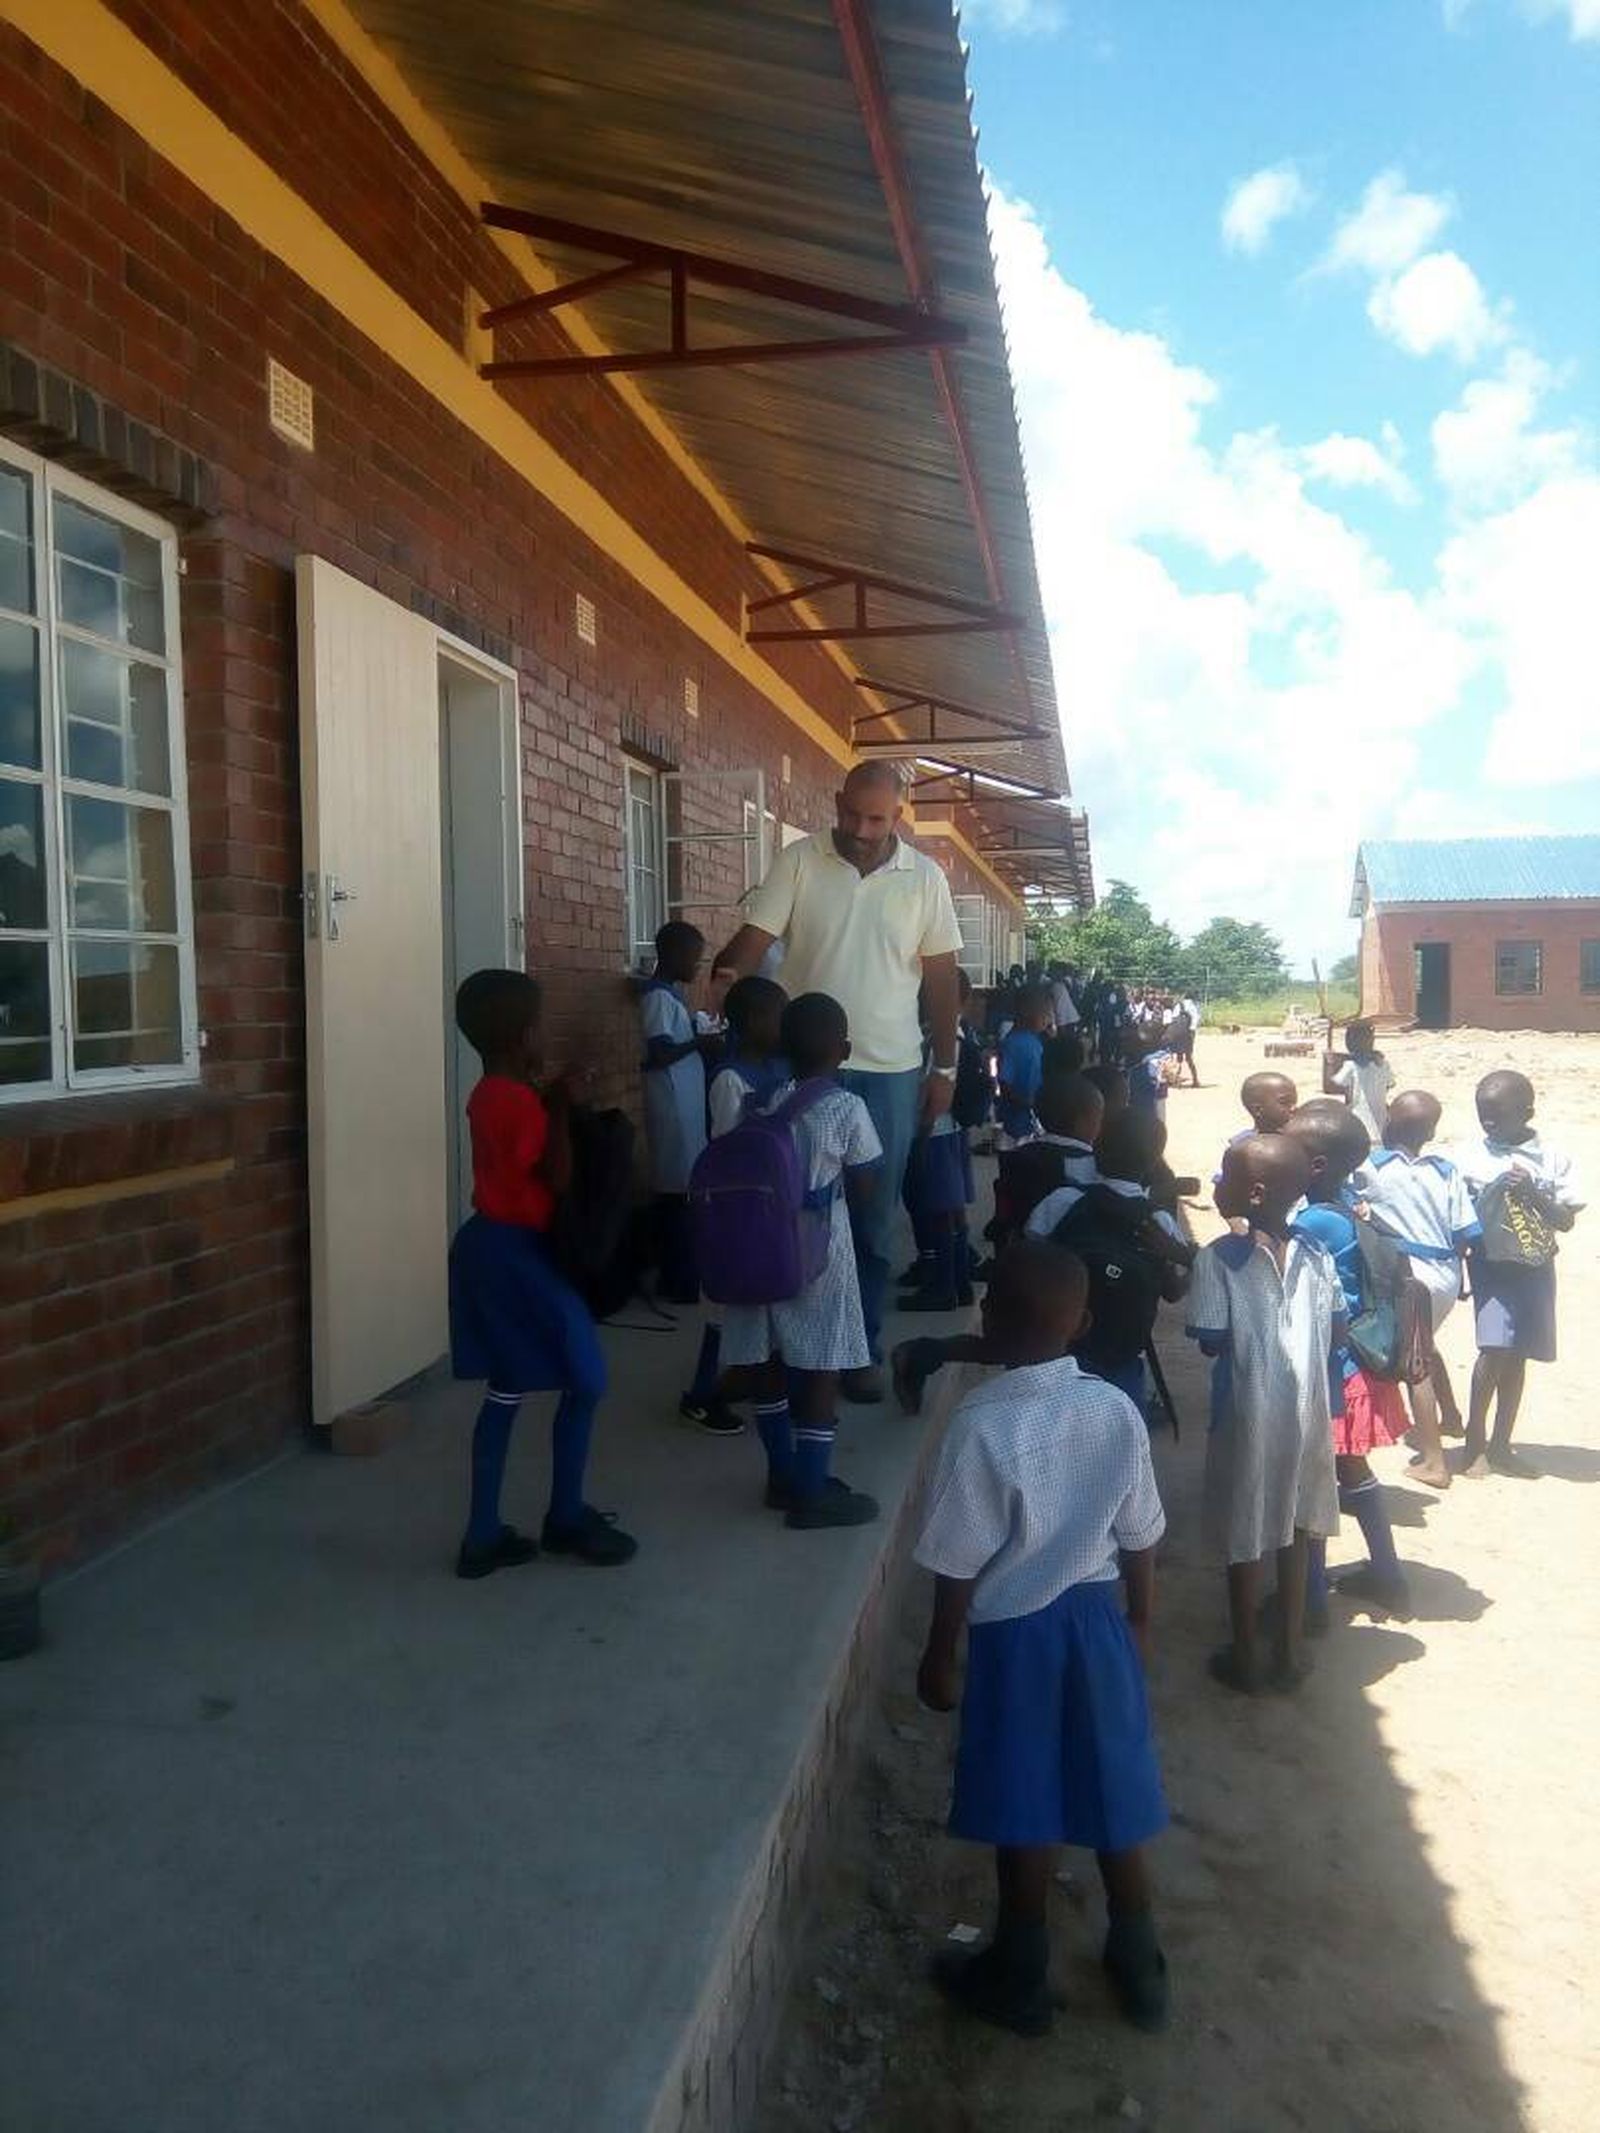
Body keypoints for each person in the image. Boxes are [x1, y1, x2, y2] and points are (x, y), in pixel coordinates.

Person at [914, 1241, 1169, 2037]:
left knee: (1025, 1799)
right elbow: (1141, 1531)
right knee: (1112, 1785)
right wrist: (1140, 1616)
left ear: (988, 1320)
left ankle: (1019, 1972)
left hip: (1014, 1631)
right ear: (1083, 1322)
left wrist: (939, 1651)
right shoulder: (1114, 1409)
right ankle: (1140, 1962)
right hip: (1097, 1618)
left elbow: (957, 1559)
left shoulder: (980, 1423)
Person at [714, 762, 964, 1400]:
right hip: (800, 1067)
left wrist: (945, 1067)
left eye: (876, 818)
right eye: (851, 813)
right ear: (837, 802)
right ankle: (785, 1350)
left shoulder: (925, 878)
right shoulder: (800, 860)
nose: (860, 829)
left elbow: (940, 980)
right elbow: (754, 936)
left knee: (873, 1219)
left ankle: (859, 1349)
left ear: (898, 817)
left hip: (890, 1071)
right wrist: (725, 976)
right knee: (787, 1207)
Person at [447, 969, 638, 1577]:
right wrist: (559, 1104)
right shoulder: (519, 1102)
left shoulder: (493, 1091)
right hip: (520, 1253)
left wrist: (548, 1097)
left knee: (507, 1388)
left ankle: (483, 1533)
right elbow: (554, 1176)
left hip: (491, 1249)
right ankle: (564, 1516)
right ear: (522, 1034)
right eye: (538, 1024)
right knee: (586, 1378)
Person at [719, 992, 884, 1528]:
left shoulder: (757, 1102)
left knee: (767, 1363)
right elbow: (865, 1184)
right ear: (846, 1049)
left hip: (755, 1248)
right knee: (821, 1369)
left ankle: (782, 1476)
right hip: (819, 1254)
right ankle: (812, 1491)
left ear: (784, 1048)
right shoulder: (846, 1107)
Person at [1186, 1135, 1341, 1694]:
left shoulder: (1217, 1259)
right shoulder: (1318, 1254)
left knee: (1245, 1530)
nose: (1215, 1184)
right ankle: (1290, 1651)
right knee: (1297, 1528)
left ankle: (1246, 1654)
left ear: (1251, 1193)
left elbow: (1209, 1339)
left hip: (1247, 1415)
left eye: (1223, 1177)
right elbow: (1337, 1327)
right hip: (1307, 1414)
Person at [1285, 1102, 1411, 1617]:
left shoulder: (1315, 1221)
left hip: (1331, 1372)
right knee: (1351, 1470)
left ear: (1314, 1165)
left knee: (1314, 1478)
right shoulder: (1349, 1204)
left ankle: (1311, 1595)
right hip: (1358, 1363)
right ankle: (1387, 1572)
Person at [1451, 1070, 1584, 1480]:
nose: (1487, 1122)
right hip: (1491, 1268)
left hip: (1536, 1269)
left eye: (1498, 1114)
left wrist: (1531, 1192)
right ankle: (1474, 1445)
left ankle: (1501, 1444)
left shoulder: (1553, 1159)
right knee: (1493, 1350)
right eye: (1481, 1113)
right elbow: (1457, 1219)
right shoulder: (1469, 1158)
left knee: (1519, 1354)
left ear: (1527, 1112)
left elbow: (1565, 1221)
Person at [677, 975, 790, 1438]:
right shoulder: (730, 1078)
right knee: (723, 1307)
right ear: (753, 1022)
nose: (785, 1025)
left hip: (770, 1203)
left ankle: (745, 1376)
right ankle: (700, 1395)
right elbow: (729, 1148)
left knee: (760, 1305)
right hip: (737, 1209)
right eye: (777, 1016)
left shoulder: (781, 1068)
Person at [1025, 1107, 1194, 1414]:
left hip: (1058, 1349)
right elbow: (1172, 1291)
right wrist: (1191, 1263)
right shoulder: (1158, 1223)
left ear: (1095, 1149)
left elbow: (1033, 1250)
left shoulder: (1064, 1201)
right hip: (1121, 1356)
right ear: (1154, 1163)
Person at [1355, 1090, 1480, 1488]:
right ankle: (1452, 1418)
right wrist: (1459, 1278)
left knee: (1415, 1366)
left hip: (1411, 1275)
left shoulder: (1372, 1169)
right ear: (1432, 1130)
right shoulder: (1446, 1171)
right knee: (1426, 1342)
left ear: (1388, 1120)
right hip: (1445, 1272)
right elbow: (1466, 1233)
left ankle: (1434, 1462)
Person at [640, 920, 714, 1306]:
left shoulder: (671, 996)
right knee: (676, 1195)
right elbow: (659, 1053)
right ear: (672, 956)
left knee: (683, 1191)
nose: (698, 966)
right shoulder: (656, 998)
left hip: (682, 1106)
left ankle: (682, 1275)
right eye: (694, 959)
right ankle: (678, 1279)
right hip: (669, 1107)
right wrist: (698, 1044)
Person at [986, 1068, 1103, 1255]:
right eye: (1099, 1118)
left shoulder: (1017, 1155)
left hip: (1021, 1256)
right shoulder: (1093, 1164)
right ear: (1083, 1121)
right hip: (1070, 1259)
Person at [996, 983, 1052, 1147]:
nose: (1048, 1019)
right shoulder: (1013, 1044)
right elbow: (1004, 1083)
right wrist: (1027, 1103)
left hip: (1031, 1123)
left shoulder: (1036, 1041)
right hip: (1016, 1126)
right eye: (1046, 1013)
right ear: (1027, 1011)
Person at [1322, 1019, 1395, 1144]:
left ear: (1350, 1042)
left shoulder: (1350, 1066)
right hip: (1381, 1124)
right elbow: (1389, 1085)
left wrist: (1329, 1063)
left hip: (1358, 1123)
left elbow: (1330, 1087)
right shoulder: (1383, 1064)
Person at [1165, 999, 1199, 1088]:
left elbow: (1171, 1021)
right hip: (1187, 1035)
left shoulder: (1178, 1005)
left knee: (1179, 1059)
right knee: (1189, 1059)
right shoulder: (1194, 1006)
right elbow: (1194, 1025)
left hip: (1177, 1035)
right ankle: (1195, 1080)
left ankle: (1176, 1080)